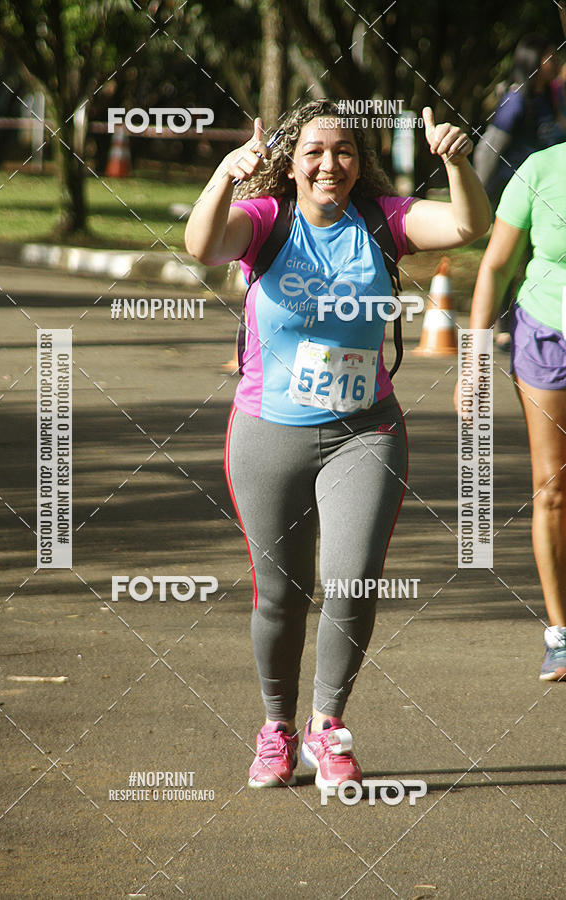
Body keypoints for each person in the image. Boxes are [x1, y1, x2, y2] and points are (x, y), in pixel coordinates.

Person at [185, 99, 490, 790]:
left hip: (365, 433)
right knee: (280, 596)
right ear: (289, 163)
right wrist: (226, 177)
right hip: (268, 435)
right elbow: (203, 246)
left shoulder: (383, 219)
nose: (331, 164)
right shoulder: (268, 221)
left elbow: (470, 224)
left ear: (361, 160)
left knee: (351, 581)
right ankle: (276, 730)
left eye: (345, 151)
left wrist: (458, 162)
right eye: (315, 152)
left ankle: (329, 728)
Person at [458, 142, 566, 682]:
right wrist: (473, 364)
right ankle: (561, 633)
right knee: (552, 487)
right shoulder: (542, 168)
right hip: (547, 338)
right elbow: (495, 267)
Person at [473, 34, 565, 349]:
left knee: (531, 258)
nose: (556, 63)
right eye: (550, 57)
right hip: (515, 193)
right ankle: (502, 326)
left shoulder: (549, 98)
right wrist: (479, 194)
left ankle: (517, 322)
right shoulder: (515, 99)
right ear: (532, 61)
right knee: (506, 261)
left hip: (548, 192)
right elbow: (488, 149)